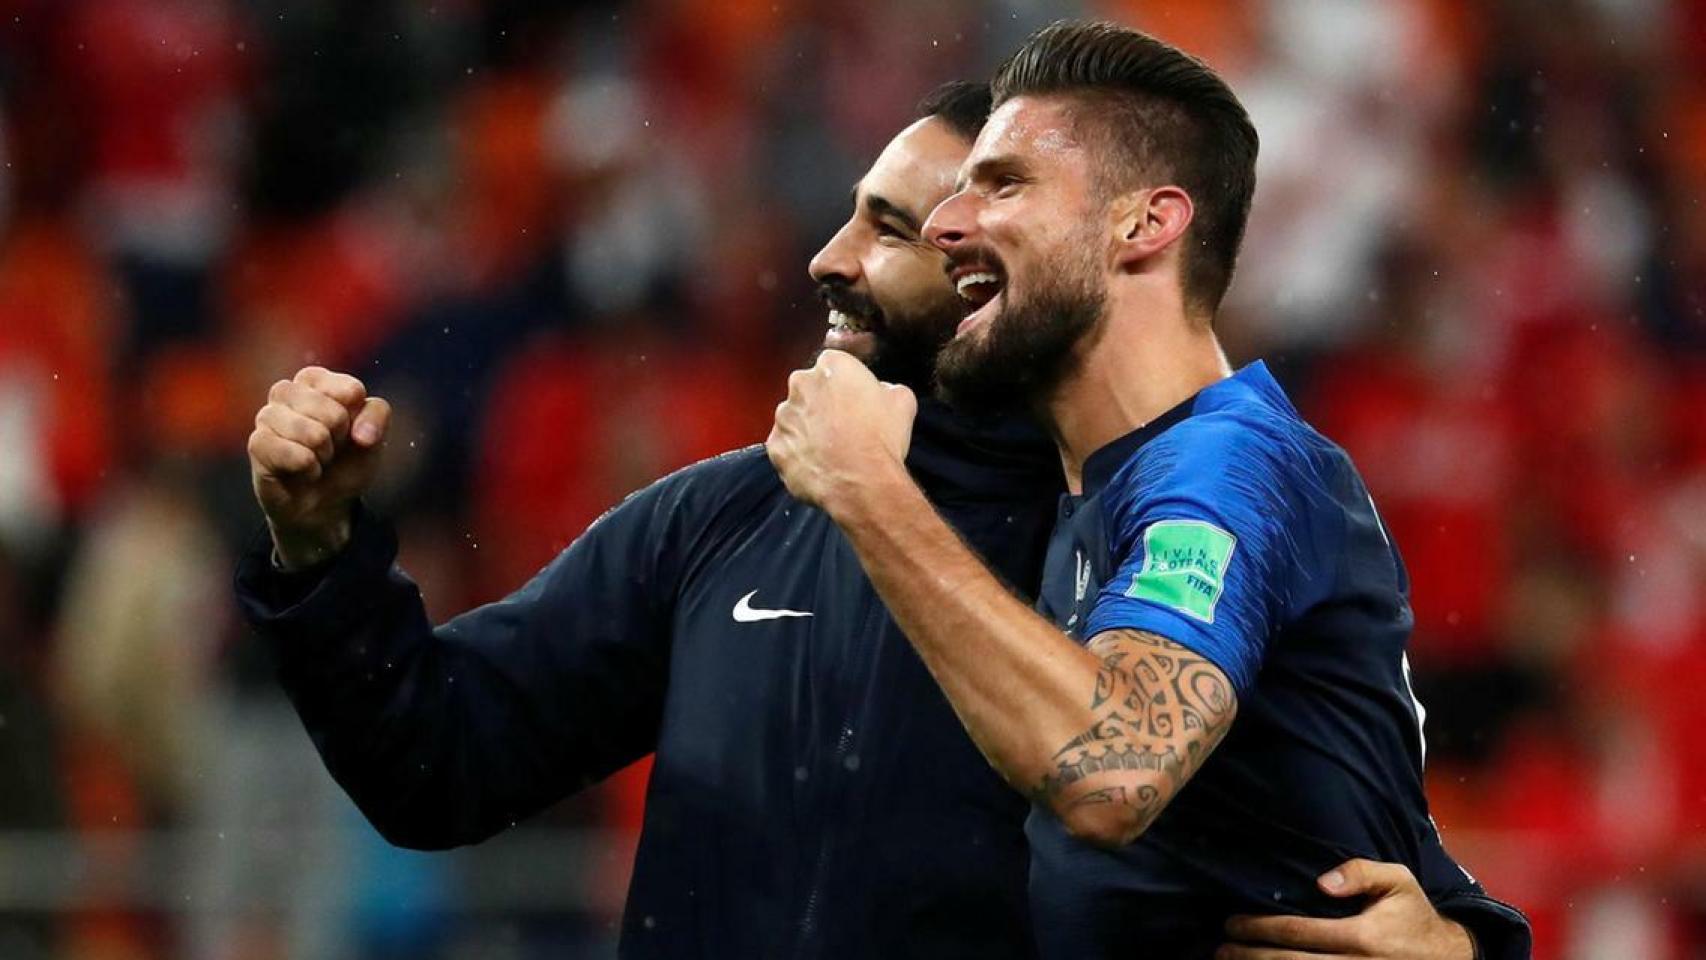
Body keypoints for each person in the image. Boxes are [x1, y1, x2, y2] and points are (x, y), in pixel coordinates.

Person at [240, 79, 1513, 960]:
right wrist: (321, 553)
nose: (827, 258)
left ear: (990, 261)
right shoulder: (726, 517)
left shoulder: (1141, 526)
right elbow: (442, 762)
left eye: (891, 229)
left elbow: (1343, 825)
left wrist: (1458, 941)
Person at [765, 22, 1531, 960]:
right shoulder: (1104, 487)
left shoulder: (1226, 463)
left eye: (1003, 184)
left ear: (1145, 224)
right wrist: (1465, 940)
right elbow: (1338, 793)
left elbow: (1113, 771)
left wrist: (867, 489)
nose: (945, 224)